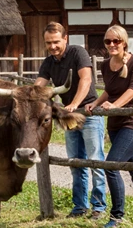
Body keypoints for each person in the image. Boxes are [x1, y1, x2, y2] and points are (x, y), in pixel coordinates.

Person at [87, 25, 133, 228]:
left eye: (116, 41)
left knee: (112, 165)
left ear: (124, 42)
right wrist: (96, 103)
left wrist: (116, 105)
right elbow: (109, 90)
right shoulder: (106, 65)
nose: (111, 45)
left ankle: (117, 216)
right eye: (108, 41)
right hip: (115, 124)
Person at [35, 22, 102, 218]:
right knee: (75, 163)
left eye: (56, 41)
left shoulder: (78, 52)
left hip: (89, 114)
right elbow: (39, 85)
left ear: (65, 38)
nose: (52, 46)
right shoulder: (48, 62)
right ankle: (80, 207)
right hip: (69, 116)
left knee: (96, 161)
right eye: (48, 43)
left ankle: (98, 207)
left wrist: (74, 104)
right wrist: (29, 94)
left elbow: (86, 79)